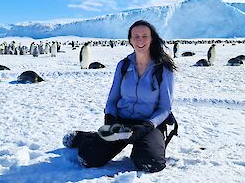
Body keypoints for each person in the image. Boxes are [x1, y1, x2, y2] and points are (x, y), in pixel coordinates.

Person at [63, 20, 176, 173]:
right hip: (121, 123)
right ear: (130, 40)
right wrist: (111, 117)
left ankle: (142, 146)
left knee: (151, 163)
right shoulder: (123, 65)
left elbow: (165, 108)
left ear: (152, 38)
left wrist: (148, 125)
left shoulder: (163, 68)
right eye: (136, 36)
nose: (140, 40)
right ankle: (85, 138)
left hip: (148, 124)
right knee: (88, 159)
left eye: (145, 36)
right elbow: (112, 99)